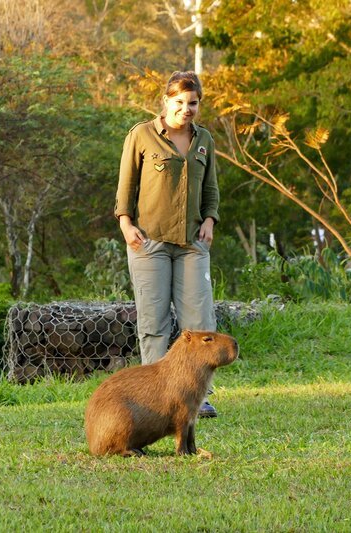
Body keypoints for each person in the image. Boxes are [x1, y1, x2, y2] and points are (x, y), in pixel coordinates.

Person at [114, 71, 220, 418]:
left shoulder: (204, 139)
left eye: (192, 103)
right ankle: (156, 399)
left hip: (192, 243)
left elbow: (210, 188)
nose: (186, 109)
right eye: (179, 102)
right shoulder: (142, 135)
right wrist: (125, 222)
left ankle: (197, 396)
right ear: (166, 101)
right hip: (149, 242)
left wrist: (209, 219)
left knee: (199, 323)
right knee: (154, 323)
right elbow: (126, 184)